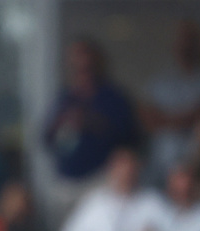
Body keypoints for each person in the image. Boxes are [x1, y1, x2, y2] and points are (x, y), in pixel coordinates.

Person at [42, 39, 140, 184]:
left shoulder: (113, 98)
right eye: (77, 67)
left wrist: (90, 121)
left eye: (87, 67)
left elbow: (129, 137)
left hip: (101, 180)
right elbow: (44, 138)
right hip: (66, 180)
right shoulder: (64, 98)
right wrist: (62, 121)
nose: (82, 72)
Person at [142, 20, 200, 183]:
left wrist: (166, 118)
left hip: (197, 164)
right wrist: (188, 117)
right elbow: (149, 120)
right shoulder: (160, 81)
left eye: (191, 41)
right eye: (182, 41)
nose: (186, 46)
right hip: (161, 162)